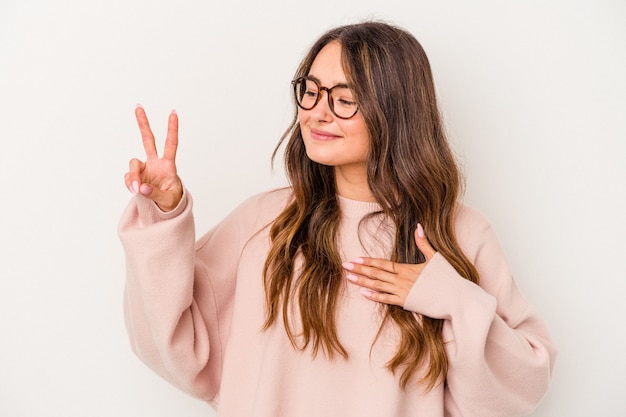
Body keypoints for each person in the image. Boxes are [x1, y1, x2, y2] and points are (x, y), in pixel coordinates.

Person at [119, 21, 556, 417]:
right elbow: (173, 343)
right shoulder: (264, 222)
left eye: (344, 98)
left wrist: (455, 301)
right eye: (310, 91)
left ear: (396, 111)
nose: (318, 112)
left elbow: (520, 388)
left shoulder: (460, 233)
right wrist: (163, 214)